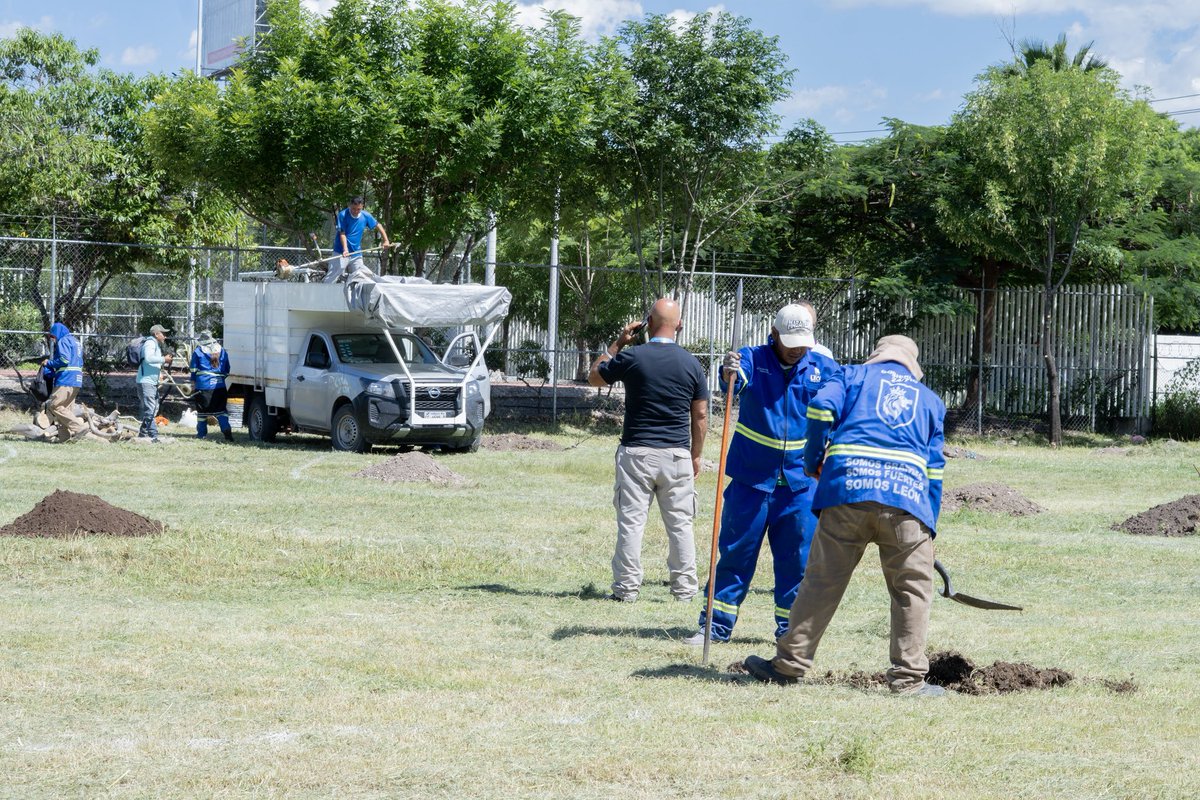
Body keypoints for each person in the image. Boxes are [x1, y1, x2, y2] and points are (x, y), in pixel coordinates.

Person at [743, 335, 948, 697]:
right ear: (912, 366)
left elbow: (822, 408)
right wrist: (928, 525)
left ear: (876, 356)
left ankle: (789, 664)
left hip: (847, 491)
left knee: (821, 581)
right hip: (907, 502)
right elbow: (934, 470)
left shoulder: (852, 376)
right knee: (912, 591)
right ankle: (909, 680)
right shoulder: (931, 401)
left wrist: (812, 461)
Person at [684, 302, 841, 646]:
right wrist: (728, 372)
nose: (797, 350)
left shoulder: (823, 368)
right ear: (773, 335)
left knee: (798, 562)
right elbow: (735, 380)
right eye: (790, 342)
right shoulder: (752, 359)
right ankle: (715, 627)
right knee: (735, 555)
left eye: (803, 343)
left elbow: (843, 398)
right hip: (751, 481)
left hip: (800, 486)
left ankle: (791, 632)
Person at [588, 298, 709, 602]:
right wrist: (695, 455)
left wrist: (618, 343)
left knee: (631, 524)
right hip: (677, 455)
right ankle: (685, 590)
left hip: (637, 454)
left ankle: (626, 590)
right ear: (679, 325)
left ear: (648, 324)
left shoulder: (632, 357)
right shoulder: (692, 363)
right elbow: (700, 415)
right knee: (680, 525)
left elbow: (594, 376)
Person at [325, 195, 390, 283]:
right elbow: (342, 234)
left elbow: (378, 225)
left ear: (362, 206)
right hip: (341, 252)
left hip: (356, 253)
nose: (355, 211)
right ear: (350, 205)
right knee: (331, 277)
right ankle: (323, 291)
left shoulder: (366, 216)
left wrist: (386, 240)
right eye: (353, 209)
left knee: (361, 276)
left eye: (358, 209)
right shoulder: (343, 215)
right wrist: (345, 249)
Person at [42, 322, 88, 442]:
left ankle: (78, 428)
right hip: (76, 380)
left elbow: (64, 359)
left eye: (53, 336)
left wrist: (49, 363)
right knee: (66, 409)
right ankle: (64, 438)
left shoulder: (63, 340)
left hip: (65, 379)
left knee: (55, 405)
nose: (53, 339)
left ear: (58, 333)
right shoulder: (75, 341)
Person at [190, 330, 233, 441]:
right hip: (220, 386)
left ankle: (201, 435)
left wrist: (193, 382)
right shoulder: (222, 351)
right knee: (221, 411)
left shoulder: (198, 351)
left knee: (202, 412)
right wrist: (219, 378)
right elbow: (227, 369)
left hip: (203, 386)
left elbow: (193, 369)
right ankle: (226, 430)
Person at [137, 324, 173, 442]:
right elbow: (148, 358)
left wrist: (159, 375)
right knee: (150, 409)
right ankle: (147, 434)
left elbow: (151, 362)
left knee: (153, 409)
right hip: (146, 382)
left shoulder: (155, 344)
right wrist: (163, 359)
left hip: (151, 382)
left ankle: (149, 434)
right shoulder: (150, 343)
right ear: (156, 334)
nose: (165, 336)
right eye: (163, 333)